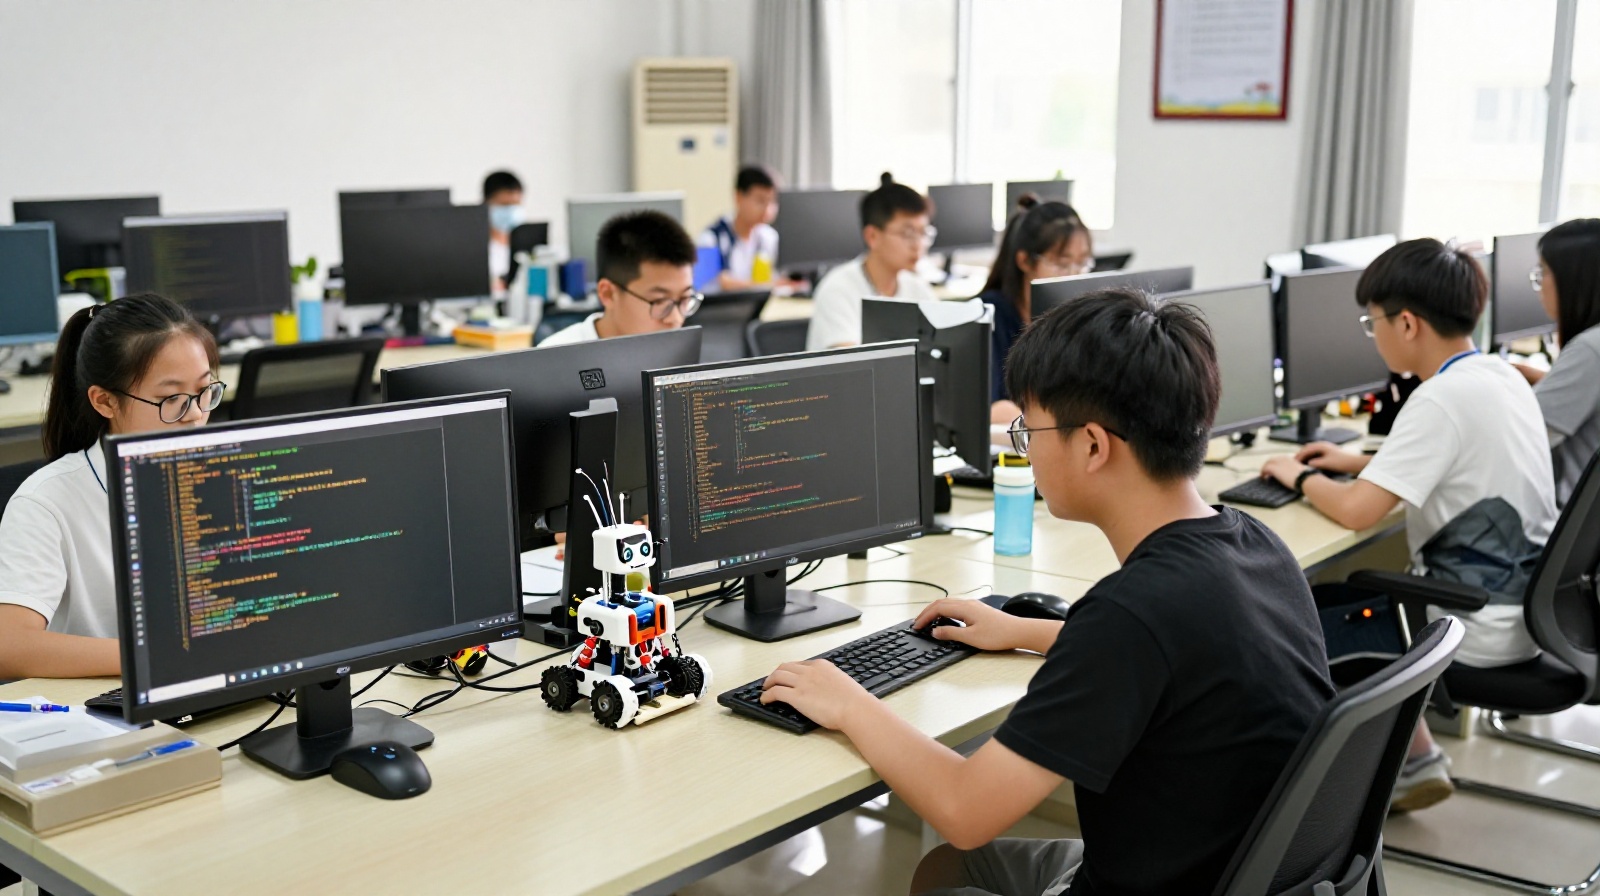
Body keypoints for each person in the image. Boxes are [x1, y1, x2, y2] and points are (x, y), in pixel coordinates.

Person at [762, 289, 1334, 895]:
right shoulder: (1254, 543)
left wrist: (850, 701)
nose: (1024, 446)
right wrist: (1029, 630)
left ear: (1092, 444)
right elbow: (1183, 654)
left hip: (1166, 880)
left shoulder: (1132, 614)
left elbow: (964, 812)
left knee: (955, 863)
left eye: (1028, 428)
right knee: (946, 874)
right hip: (1243, 871)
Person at [1262, 238, 1557, 810]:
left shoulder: (1440, 398)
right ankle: (1415, 756)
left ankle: (1325, 801)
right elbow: (1457, 460)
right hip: (1517, 610)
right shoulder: (1498, 375)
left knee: (1284, 630)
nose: (1373, 337)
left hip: (1469, 624)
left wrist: (1293, 476)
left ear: (1407, 323)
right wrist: (1356, 462)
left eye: (1373, 324)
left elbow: (1357, 511)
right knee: (1328, 597)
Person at [0, 294, 221, 679]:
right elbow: (11, 645)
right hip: (105, 712)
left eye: (205, 391)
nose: (197, 415)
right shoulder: (46, 503)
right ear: (105, 401)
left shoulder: (225, 475)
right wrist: (159, 658)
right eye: (172, 399)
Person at [977, 196, 1094, 424]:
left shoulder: (1077, 319)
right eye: (1062, 264)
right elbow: (989, 409)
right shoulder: (990, 315)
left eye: (1083, 263)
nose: (1075, 274)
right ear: (1025, 261)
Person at [1514, 219, 1600, 506]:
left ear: (1574, 280)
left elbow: (1523, 440)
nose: (1539, 285)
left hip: (1569, 532)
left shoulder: (1589, 350)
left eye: (1544, 272)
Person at [805, 173, 937, 351]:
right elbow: (852, 367)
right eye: (908, 233)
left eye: (923, 233)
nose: (918, 245)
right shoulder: (838, 289)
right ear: (872, 236)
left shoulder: (918, 288)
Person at [539, 209, 700, 347]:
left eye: (685, 299)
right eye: (660, 301)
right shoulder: (552, 361)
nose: (676, 319)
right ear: (607, 294)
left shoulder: (685, 356)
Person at [700, 164, 782, 290]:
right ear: (738, 197)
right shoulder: (709, 239)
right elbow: (709, 285)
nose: (768, 209)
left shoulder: (769, 237)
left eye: (772, 201)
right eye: (760, 201)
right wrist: (771, 284)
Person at [484, 170, 525, 292]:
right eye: (504, 205)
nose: (511, 211)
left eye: (516, 204)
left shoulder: (527, 246)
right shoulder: (476, 248)